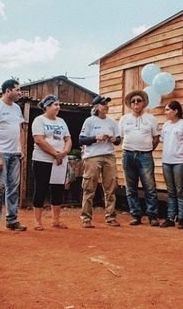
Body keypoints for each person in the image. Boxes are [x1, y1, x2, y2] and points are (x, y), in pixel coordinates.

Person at [0, 79, 27, 233]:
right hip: (1, 152)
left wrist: (21, 148)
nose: (20, 93)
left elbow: (20, 129)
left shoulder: (17, 108)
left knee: (13, 188)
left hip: (14, 153)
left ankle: (12, 220)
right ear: (8, 91)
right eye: (17, 89)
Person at [78, 95, 121, 228]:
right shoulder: (89, 121)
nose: (106, 106)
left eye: (107, 103)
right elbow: (81, 140)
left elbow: (118, 140)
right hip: (92, 157)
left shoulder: (112, 122)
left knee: (111, 187)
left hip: (109, 156)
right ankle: (86, 218)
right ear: (96, 107)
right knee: (89, 187)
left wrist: (113, 139)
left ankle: (111, 216)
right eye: (103, 104)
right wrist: (96, 137)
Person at [119, 90, 160, 226]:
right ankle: (136, 215)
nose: (136, 103)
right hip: (128, 155)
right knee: (131, 187)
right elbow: (121, 137)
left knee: (150, 187)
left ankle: (152, 216)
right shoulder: (124, 119)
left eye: (139, 100)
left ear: (143, 103)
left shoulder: (151, 119)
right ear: (130, 104)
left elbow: (156, 138)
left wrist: (146, 149)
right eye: (133, 101)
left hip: (145, 156)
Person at [31, 95, 72, 231]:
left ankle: (56, 220)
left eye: (59, 104)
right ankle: (37, 221)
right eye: (55, 104)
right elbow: (39, 140)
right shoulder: (39, 120)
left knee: (57, 189)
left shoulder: (61, 121)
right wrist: (55, 154)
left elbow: (68, 139)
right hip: (42, 159)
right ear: (47, 107)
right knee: (41, 188)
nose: (58, 107)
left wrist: (64, 152)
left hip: (60, 160)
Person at [160, 100, 183, 229]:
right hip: (166, 161)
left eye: (168, 110)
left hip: (181, 161)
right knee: (171, 191)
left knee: (180, 190)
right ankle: (170, 217)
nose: (165, 112)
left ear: (176, 111)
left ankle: (182, 218)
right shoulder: (166, 125)